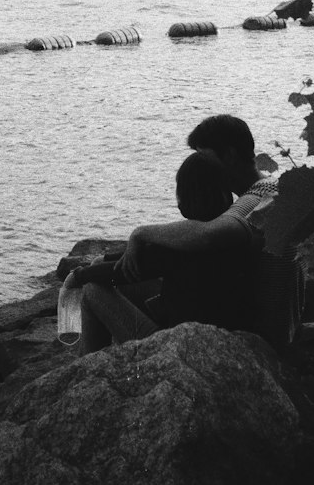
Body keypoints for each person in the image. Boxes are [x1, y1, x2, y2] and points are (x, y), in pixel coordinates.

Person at [67, 116, 284, 354]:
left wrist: (141, 233)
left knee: (92, 290)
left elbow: (206, 235)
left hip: (242, 339)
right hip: (239, 318)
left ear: (229, 156)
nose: (200, 165)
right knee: (112, 272)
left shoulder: (252, 203)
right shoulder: (270, 187)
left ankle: (87, 368)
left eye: (204, 158)